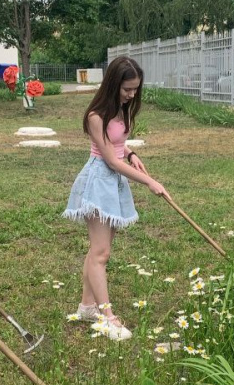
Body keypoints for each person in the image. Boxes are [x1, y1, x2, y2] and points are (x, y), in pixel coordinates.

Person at [63, 56, 166, 341]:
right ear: (113, 84)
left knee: (100, 249)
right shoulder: (96, 115)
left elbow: (118, 145)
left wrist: (132, 154)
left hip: (116, 184)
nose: (132, 94)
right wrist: (149, 181)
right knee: (101, 253)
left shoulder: (122, 109)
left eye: (135, 89)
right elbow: (109, 159)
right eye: (127, 89)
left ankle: (86, 307)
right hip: (99, 182)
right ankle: (107, 317)